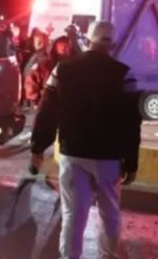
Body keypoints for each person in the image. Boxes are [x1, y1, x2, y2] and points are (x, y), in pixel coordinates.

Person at [30, 21, 142, 259]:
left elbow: (47, 109)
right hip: (109, 158)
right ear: (111, 44)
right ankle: (108, 256)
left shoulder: (63, 69)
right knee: (109, 212)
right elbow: (132, 122)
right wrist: (131, 161)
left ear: (88, 39)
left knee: (73, 213)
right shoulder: (125, 74)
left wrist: (38, 146)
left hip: (73, 153)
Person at [24, 36, 71, 106]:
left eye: (67, 44)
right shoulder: (42, 58)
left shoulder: (66, 61)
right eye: (62, 43)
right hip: (41, 103)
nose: (64, 46)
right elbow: (30, 79)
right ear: (54, 43)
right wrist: (36, 100)